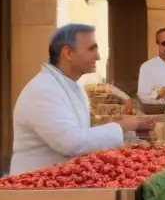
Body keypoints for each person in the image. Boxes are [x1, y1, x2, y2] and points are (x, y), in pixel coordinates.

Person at [10, 24, 154, 176]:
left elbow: (81, 136)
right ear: (68, 53)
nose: (98, 56)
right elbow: (72, 143)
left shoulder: (73, 85)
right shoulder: (44, 90)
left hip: (59, 182)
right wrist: (121, 126)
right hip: (33, 187)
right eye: (91, 49)